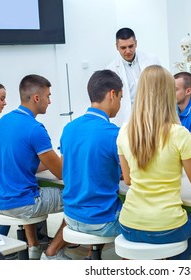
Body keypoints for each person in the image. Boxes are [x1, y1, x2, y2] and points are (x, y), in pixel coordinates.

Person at [116, 65, 191, 260]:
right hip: (165, 225)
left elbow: (128, 180)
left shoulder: (124, 132)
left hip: (128, 224)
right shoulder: (178, 133)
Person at [0, 74, 69, 260]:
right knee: (78, 197)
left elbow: (21, 164)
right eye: (48, 96)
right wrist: (67, 153)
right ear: (37, 98)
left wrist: (46, 159)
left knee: (29, 187)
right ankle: (53, 253)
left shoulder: (2, 122)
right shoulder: (35, 128)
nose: (50, 101)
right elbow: (61, 172)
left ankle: (34, 246)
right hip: (20, 205)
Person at [60, 70, 123, 259]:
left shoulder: (69, 128)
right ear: (112, 94)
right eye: (120, 97)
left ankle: (90, 256)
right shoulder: (114, 133)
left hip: (70, 217)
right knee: (145, 220)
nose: (120, 103)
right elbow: (131, 174)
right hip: (102, 222)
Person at [106, 27, 160, 127]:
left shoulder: (152, 60)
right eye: (123, 48)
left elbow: (161, 86)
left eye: (131, 46)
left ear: (136, 43)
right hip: (129, 120)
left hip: (153, 115)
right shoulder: (111, 70)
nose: (128, 51)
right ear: (116, 47)